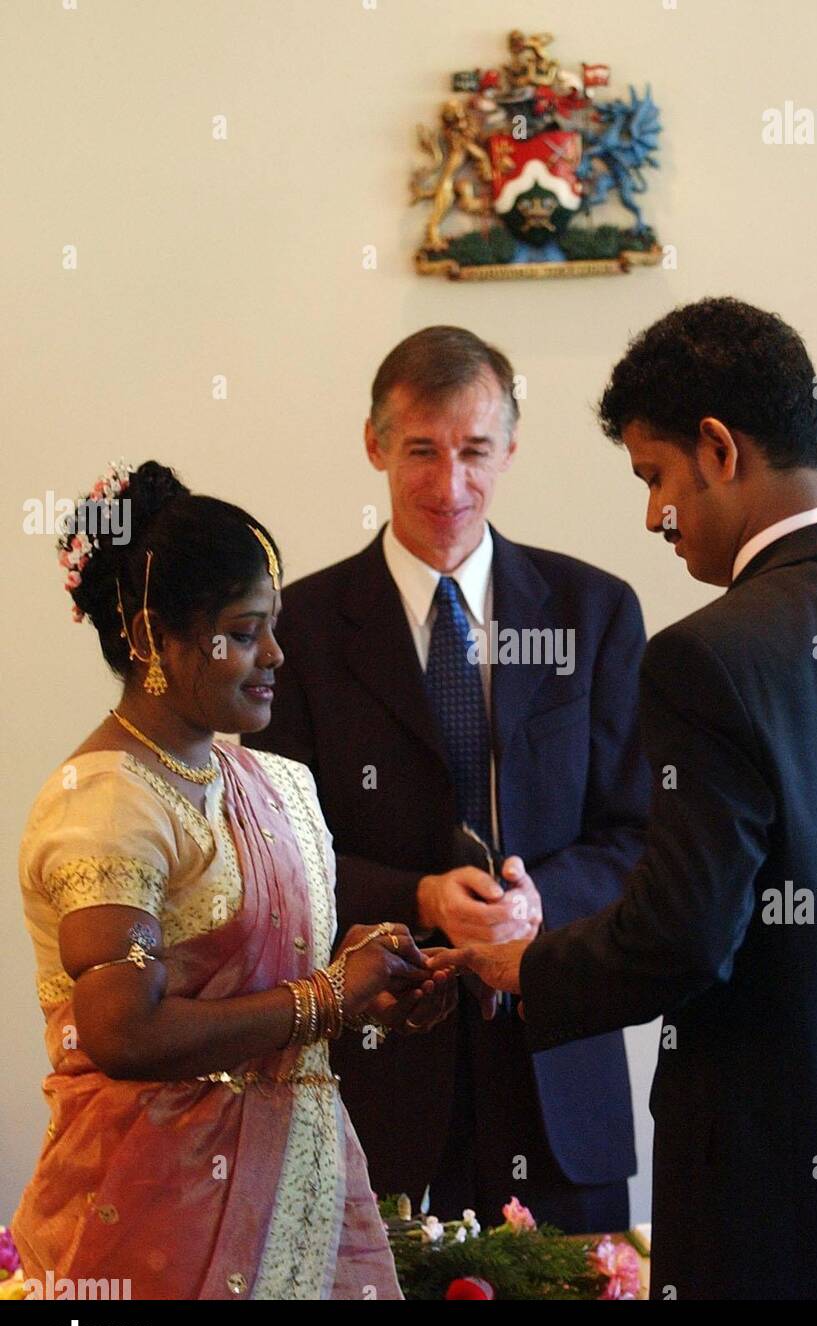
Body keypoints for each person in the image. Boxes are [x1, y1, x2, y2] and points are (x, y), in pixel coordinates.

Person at [444, 297, 817, 1299]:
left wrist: (525, 966)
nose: (651, 518)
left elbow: (681, 934)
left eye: (654, 477)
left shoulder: (705, 658)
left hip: (794, 1218)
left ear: (717, 448)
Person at [14, 460, 454, 1300]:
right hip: (154, 1216)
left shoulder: (276, 783)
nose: (276, 655)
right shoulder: (103, 806)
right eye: (246, 631)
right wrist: (327, 997)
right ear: (150, 638)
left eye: (275, 625)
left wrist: (371, 981)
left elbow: (278, 982)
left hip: (307, 1190)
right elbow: (123, 1034)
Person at [243, 327, 650, 1233]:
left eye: (473, 452)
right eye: (421, 451)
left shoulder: (594, 611)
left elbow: (637, 834)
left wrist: (538, 901)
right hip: (378, 1069)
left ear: (509, 448)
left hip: (555, 1056)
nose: (449, 485)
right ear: (375, 444)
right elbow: (277, 857)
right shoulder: (299, 627)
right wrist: (420, 894)